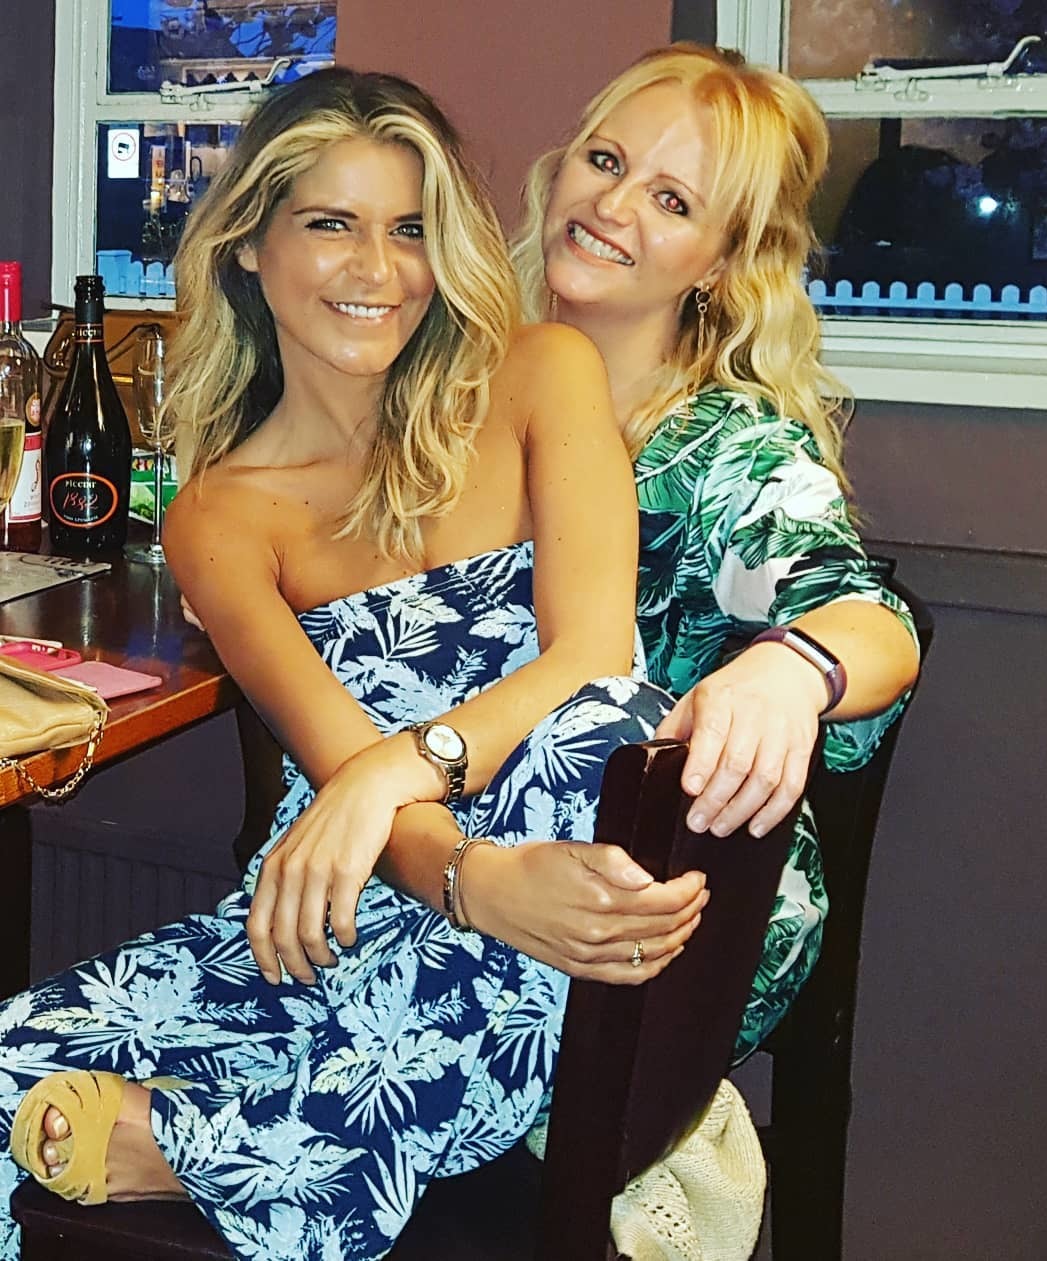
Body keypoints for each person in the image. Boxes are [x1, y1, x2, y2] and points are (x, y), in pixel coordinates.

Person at [0, 69, 699, 1260]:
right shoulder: (222, 513)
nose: (379, 270)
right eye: (332, 223)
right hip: (358, 901)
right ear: (250, 244)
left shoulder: (542, 373)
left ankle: (217, 1146)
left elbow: (590, 654)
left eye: (410, 229)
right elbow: (337, 771)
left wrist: (395, 775)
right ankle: (283, 1141)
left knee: (604, 720)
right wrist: (467, 875)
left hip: (544, 858)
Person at [509, 42, 921, 1059]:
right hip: (471, 863)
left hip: (655, 922)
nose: (612, 207)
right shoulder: (464, 391)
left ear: (723, 263)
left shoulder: (725, 451)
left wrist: (793, 667)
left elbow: (874, 624)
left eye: (672, 201)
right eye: (605, 161)